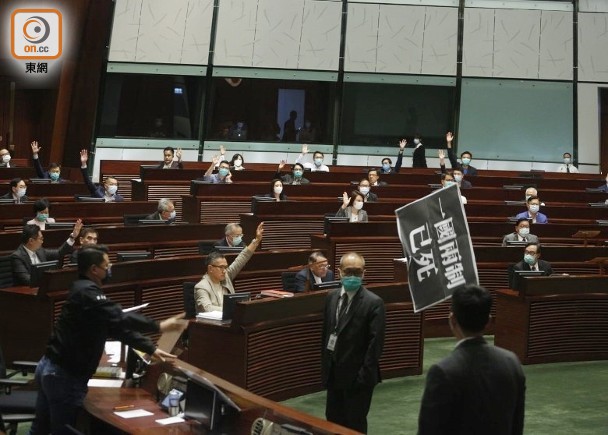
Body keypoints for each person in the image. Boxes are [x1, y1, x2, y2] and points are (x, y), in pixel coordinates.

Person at [28, 245, 186, 434]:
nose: (109, 268)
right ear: (94, 269)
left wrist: (150, 348)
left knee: (40, 429)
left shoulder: (83, 289)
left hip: (51, 367)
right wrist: (158, 326)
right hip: (64, 375)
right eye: (106, 265)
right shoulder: (88, 293)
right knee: (61, 431)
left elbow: (115, 328)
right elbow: (118, 317)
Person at [418, 285, 525, 435]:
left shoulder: (443, 372)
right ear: (488, 321)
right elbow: (516, 427)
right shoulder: (512, 363)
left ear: (452, 320)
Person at [321, 252, 385, 433]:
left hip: (358, 379)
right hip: (334, 375)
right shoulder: (331, 297)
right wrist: (326, 369)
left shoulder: (374, 302)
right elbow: (326, 333)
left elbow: (375, 345)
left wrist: (363, 377)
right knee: (332, 421)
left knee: (354, 424)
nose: (352, 276)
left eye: (357, 272)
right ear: (339, 272)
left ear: (364, 273)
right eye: (348, 271)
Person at [195, 222, 264, 312]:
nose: (224, 271)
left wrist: (257, 240)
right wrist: (234, 309)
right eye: (221, 267)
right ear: (210, 268)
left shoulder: (226, 276)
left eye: (225, 267)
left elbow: (242, 257)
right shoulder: (201, 287)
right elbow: (207, 308)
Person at [10, 221, 82, 286]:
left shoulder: (40, 251)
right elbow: (27, 280)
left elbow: (59, 253)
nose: (42, 242)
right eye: (41, 239)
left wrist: (72, 237)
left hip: (42, 287)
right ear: (31, 241)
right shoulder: (17, 257)